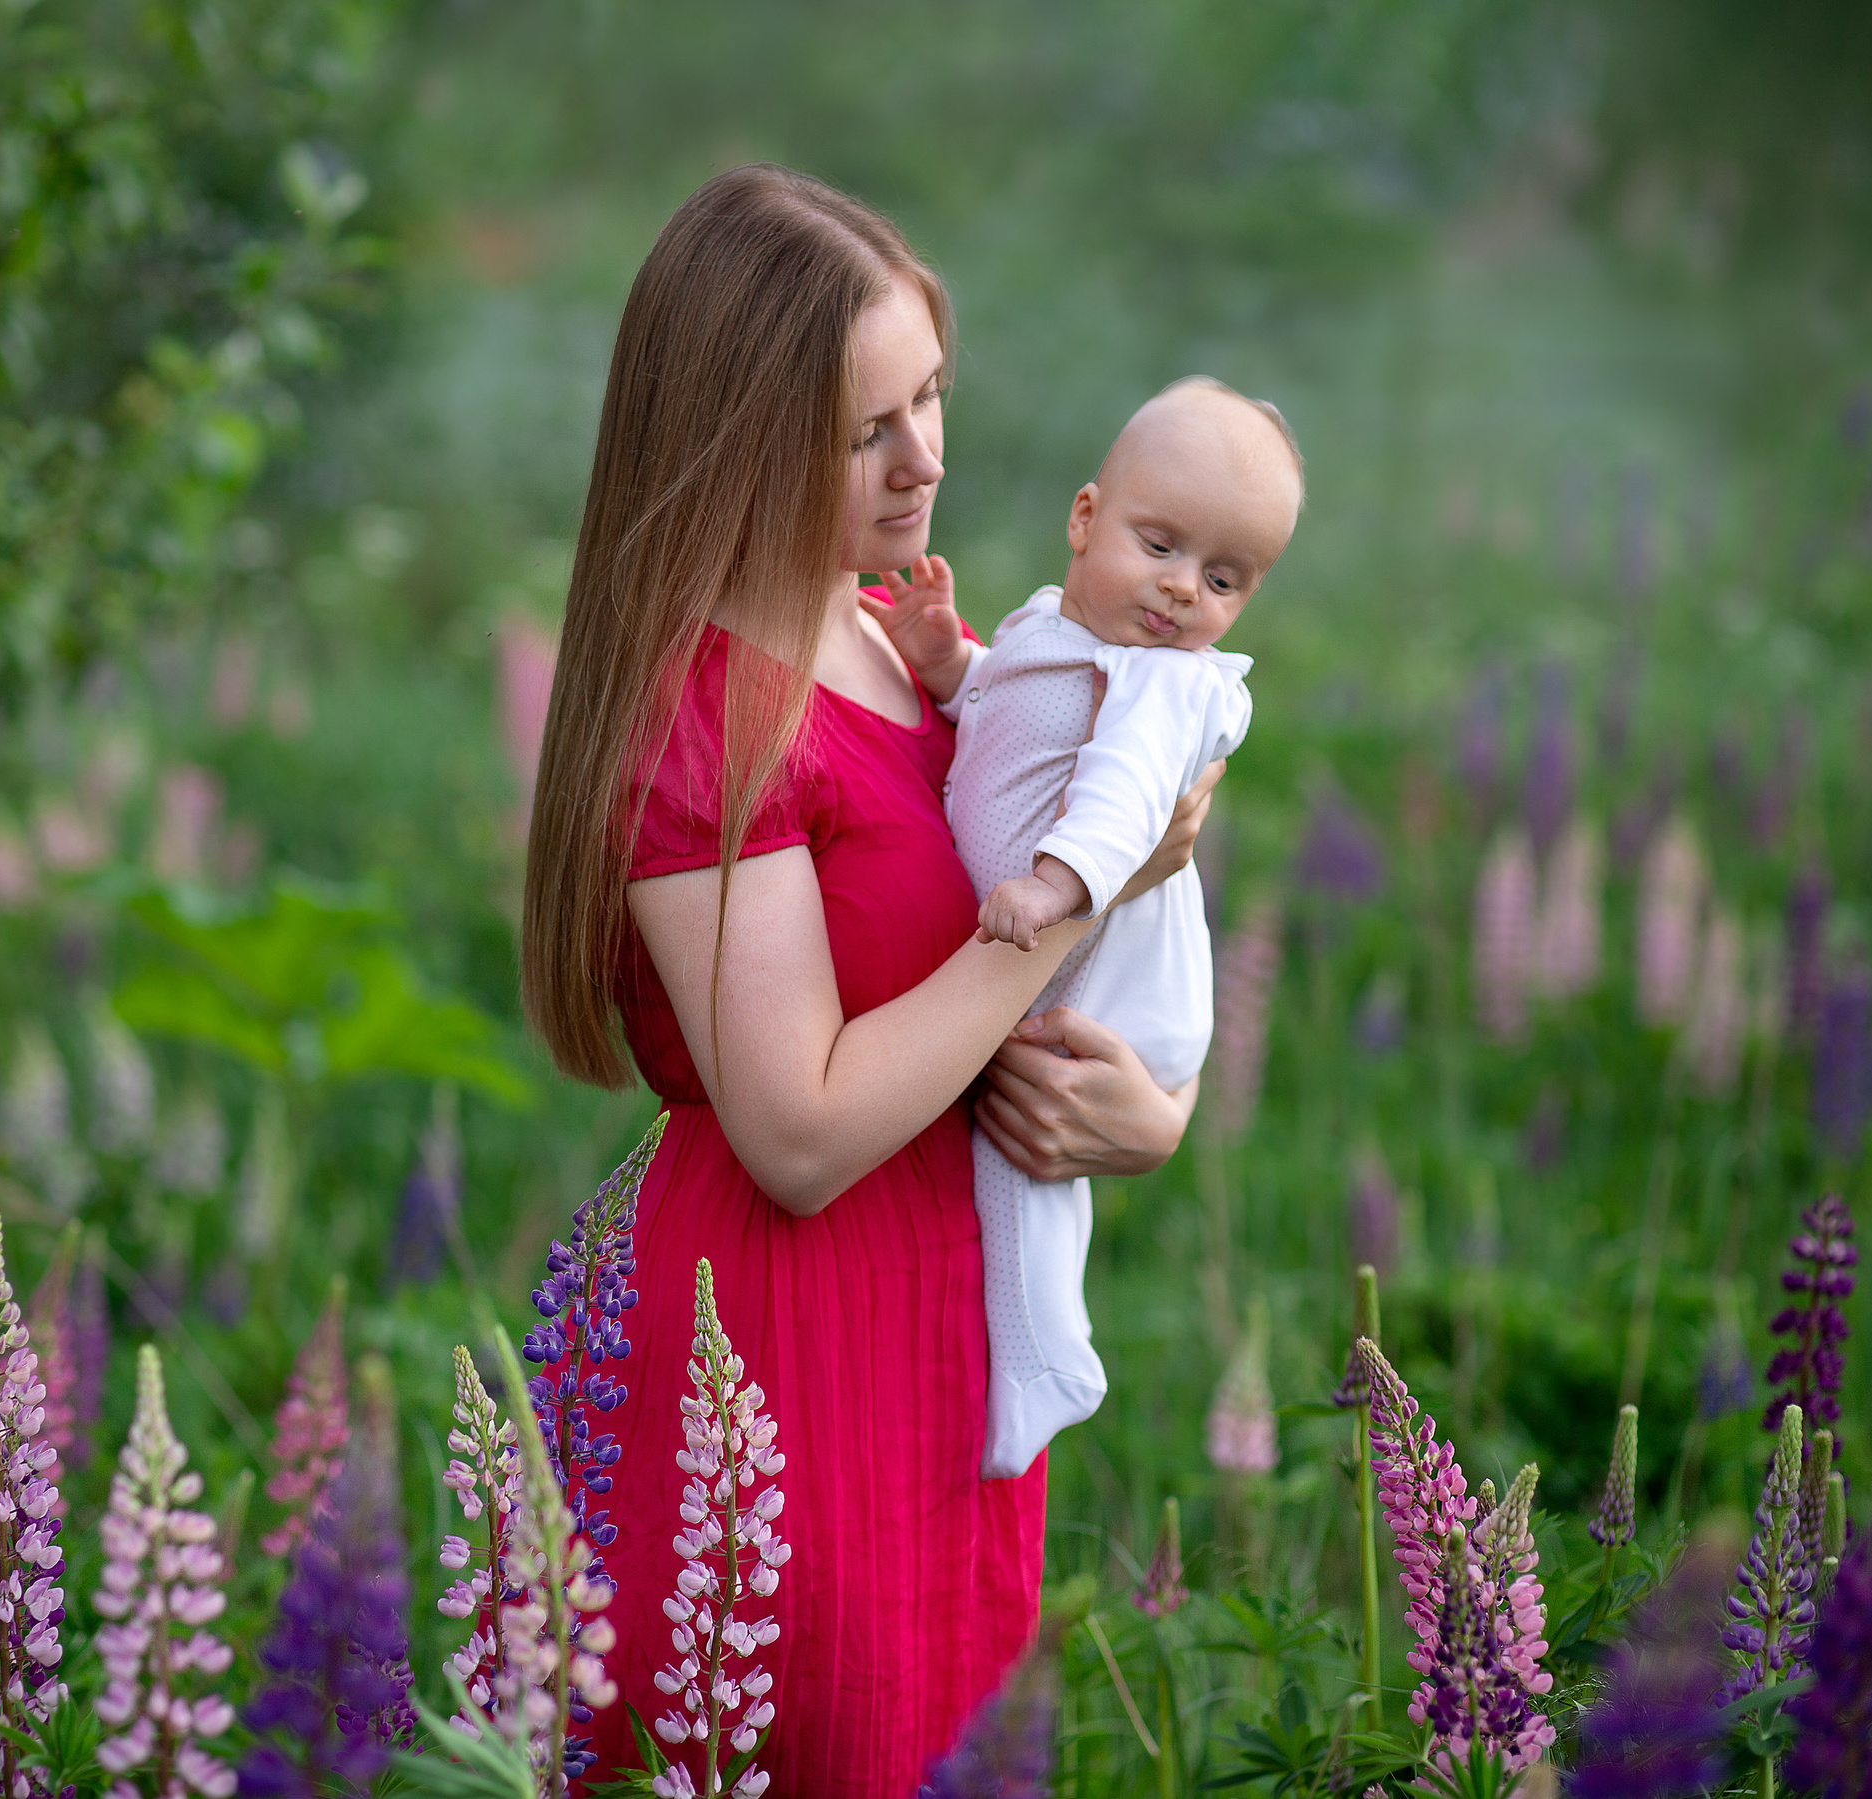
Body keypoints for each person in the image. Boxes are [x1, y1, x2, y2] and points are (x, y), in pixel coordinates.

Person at [519, 163, 1223, 1795]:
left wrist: (1145, 1112)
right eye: (867, 433)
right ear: (737, 441)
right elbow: (805, 1124)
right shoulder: (705, 712)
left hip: (946, 1343)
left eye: (932, 398)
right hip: (786, 1363)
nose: (929, 462)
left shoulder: (869, 618)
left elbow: (983, 974)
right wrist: (1081, 888)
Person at [873, 377, 1303, 1480]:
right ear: (1082, 518)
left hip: (1107, 986)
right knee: (1006, 1154)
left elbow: (1120, 797)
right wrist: (944, 664)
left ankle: (1042, 1364)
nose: (1177, 591)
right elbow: (1009, 715)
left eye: (1221, 578)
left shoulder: (1165, 682)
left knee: (1024, 1172)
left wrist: (1055, 887)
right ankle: (1026, 1359)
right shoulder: (1044, 625)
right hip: (1053, 964)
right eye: (1158, 544)